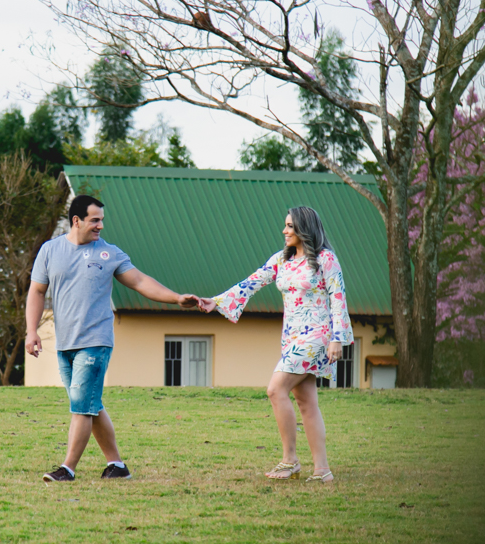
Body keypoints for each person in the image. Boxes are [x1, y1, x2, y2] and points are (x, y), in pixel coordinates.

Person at [27, 194, 203, 482]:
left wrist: (176, 298)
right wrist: (31, 331)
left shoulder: (109, 253)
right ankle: (117, 466)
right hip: (65, 343)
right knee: (90, 404)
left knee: (82, 404)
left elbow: (141, 281)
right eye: (95, 220)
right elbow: (36, 291)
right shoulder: (50, 251)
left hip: (96, 340)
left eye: (102, 220)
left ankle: (67, 469)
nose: (100, 226)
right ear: (76, 220)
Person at [200, 206, 353, 483]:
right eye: (285, 226)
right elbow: (252, 282)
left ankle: (290, 460)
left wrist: (337, 339)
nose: (285, 231)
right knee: (306, 402)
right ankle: (322, 470)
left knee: (275, 389)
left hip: (316, 337)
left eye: (290, 226)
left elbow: (338, 298)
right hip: (292, 337)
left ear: (305, 228)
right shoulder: (282, 260)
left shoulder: (325, 259)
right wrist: (217, 301)